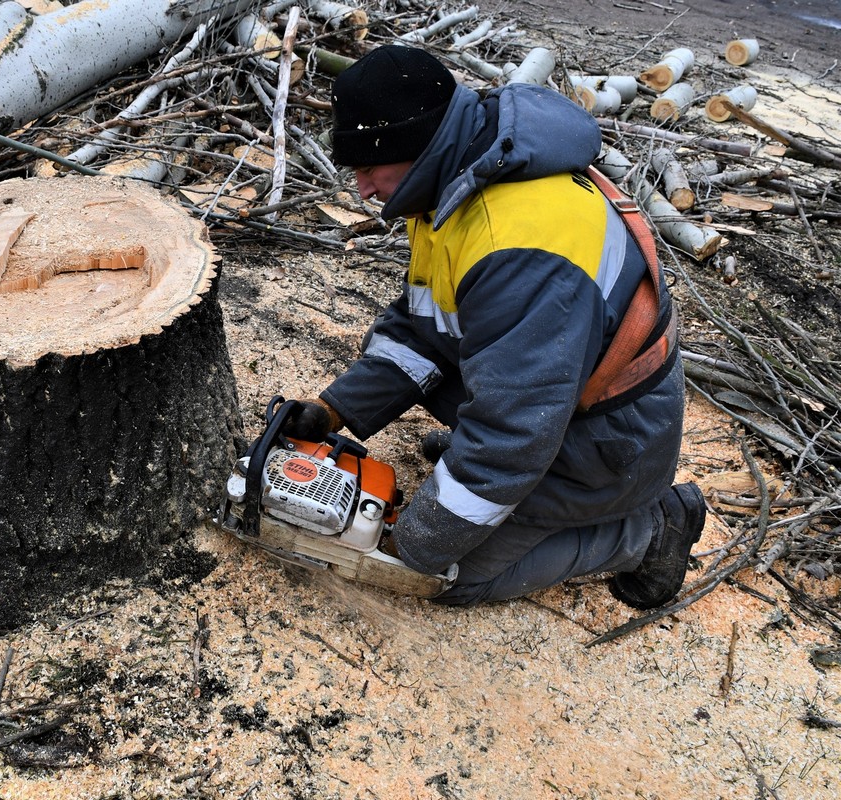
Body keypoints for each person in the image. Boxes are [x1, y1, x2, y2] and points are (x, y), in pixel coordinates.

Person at [283, 45, 707, 609]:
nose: (362, 189)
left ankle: (648, 532)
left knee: (450, 574)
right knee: (482, 452)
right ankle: (504, 486)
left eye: (368, 169)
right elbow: (424, 327)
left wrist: (421, 542)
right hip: (557, 392)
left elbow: (513, 435)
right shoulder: (453, 183)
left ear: (418, 146)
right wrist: (336, 410)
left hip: (613, 439)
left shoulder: (516, 244)